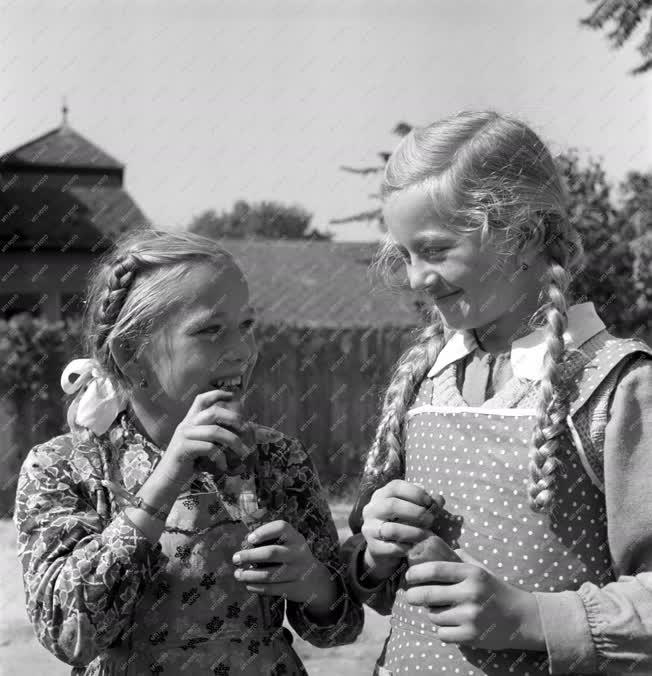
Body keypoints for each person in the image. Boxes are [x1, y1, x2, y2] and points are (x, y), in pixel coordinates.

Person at [342, 110, 652, 675]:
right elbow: (379, 591)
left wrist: (525, 617)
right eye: (406, 255)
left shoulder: (614, 385)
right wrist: (376, 551)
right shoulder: (426, 377)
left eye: (435, 250)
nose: (416, 277)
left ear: (524, 235)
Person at [14, 227, 364, 675]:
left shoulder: (278, 460)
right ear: (130, 354)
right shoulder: (64, 468)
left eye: (247, 326)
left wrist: (314, 584)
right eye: (211, 330)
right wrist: (166, 478)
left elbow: (338, 628)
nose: (243, 351)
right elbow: (69, 633)